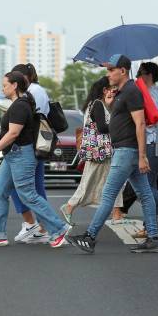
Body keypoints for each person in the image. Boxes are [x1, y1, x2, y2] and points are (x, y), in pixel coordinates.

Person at [66, 54, 158, 254]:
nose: (108, 74)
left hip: (127, 151)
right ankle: (153, 238)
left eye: (111, 70)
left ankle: (90, 237)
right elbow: (119, 120)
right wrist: (110, 104)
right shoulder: (123, 92)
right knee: (144, 194)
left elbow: (140, 123)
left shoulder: (132, 91)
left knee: (108, 195)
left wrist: (142, 156)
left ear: (123, 71)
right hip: (126, 150)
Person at [0, 71, 70, 247]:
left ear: (14, 86)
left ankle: (59, 230)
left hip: (21, 154)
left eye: (5, 85)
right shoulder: (18, 104)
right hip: (12, 155)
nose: (2, 88)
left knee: (28, 195)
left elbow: (13, 133)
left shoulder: (21, 105)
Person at [109, 62, 158, 237]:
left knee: (143, 189)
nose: (137, 75)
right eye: (137, 72)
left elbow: (143, 122)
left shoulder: (150, 94)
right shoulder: (154, 92)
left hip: (154, 144)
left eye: (141, 72)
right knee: (148, 187)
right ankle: (149, 227)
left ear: (149, 75)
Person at [6, 63, 59, 243]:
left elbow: (24, 119)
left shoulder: (31, 93)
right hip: (35, 144)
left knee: (24, 188)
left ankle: (37, 224)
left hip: (28, 145)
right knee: (34, 188)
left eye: (16, 77)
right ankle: (42, 226)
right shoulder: (38, 91)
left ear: (24, 77)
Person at [59, 76, 124, 222]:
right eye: (112, 88)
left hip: (100, 151)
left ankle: (116, 213)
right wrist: (118, 124)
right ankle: (69, 206)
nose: (114, 91)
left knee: (112, 181)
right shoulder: (98, 105)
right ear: (104, 90)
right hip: (99, 151)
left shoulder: (97, 104)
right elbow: (102, 128)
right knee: (90, 182)